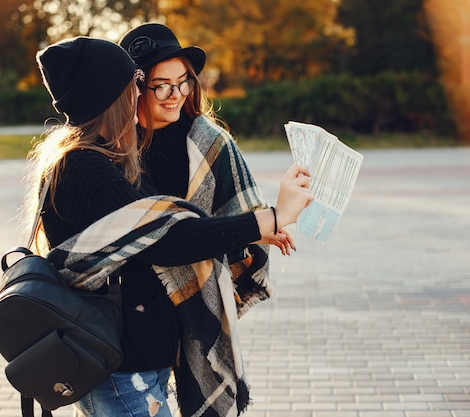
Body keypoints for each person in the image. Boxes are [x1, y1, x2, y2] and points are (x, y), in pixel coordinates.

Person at [27, 37, 313, 417]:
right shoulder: (83, 168)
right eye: (134, 83)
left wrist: (254, 229)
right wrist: (273, 217)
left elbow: (169, 229)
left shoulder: (108, 159)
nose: (140, 92)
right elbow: (168, 240)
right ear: (110, 97)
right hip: (121, 371)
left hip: (138, 364)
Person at [119, 23, 285, 315]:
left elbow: (242, 217)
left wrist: (259, 228)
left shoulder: (211, 143)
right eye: (161, 86)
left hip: (195, 310)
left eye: (184, 81)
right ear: (136, 89)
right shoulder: (117, 149)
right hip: (125, 310)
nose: (176, 94)